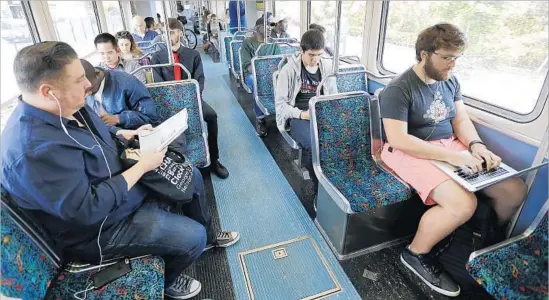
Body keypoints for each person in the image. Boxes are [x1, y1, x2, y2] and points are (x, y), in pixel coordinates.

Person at [1, 41, 240, 299]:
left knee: (190, 175)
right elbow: (86, 210)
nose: (88, 85)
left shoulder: (69, 106)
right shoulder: (32, 151)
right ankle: (168, 280)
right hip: (100, 228)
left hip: (121, 186)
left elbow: (101, 133)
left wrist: (124, 133)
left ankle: (210, 238)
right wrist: (142, 167)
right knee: (193, 236)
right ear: (49, 91)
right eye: (79, 80)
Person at [379, 23, 527, 297]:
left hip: (451, 145)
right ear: (424, 55)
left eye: (457, 57)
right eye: (446, 57)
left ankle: (476, 237)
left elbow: (459, 119)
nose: (453, 64)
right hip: (410, 149)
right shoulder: (398, 89)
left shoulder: (451, 81)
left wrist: (476, 145)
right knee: (463, 203)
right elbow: (398, 139)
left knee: (513, 189)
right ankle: (415, 253)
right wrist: (453, 157)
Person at [151, 18, 230, 180]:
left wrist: (191, 99)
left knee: (212, 116)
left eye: (171, 32)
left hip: (192, 99)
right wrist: (173, 103)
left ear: (180, 32)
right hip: (168, 104)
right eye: (164, 33)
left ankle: (214, 159)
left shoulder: (192, 55)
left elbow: (199, 80)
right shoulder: (157, 58)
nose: (168, 36)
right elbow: (158, 86)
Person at [275, 29, 337, 203]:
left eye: (319, 55)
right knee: (313, 145)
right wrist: (302, 115)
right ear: (302, 50)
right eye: (311, 55)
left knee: (340, 139)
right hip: (298, 115)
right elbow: (281, 106)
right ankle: (319, 191)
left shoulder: (326, 67)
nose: (315, 59)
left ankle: (335, 186)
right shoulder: (289, 71)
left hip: (320, 111)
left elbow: (333, 96)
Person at [81, 59, 158, 134]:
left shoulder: (126, 82)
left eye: (90, 89)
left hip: (138, 134)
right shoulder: (80, 94)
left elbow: (150, 117)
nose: (87, 94)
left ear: (97, 74)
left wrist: (119, 118)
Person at [241, 18, 280, 136]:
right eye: (265, 26)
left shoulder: (273, 43)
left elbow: (279, 61)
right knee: (256, 82)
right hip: (253, 74)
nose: (269, 28)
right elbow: (246, 65)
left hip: (272, 74)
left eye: (270, 26)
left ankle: (283, 113)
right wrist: (261, 74)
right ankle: (260, 117)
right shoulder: (248, 43)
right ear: (257, 28)